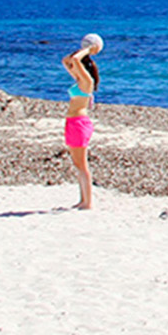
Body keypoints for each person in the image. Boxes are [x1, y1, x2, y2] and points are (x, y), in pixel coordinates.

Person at [62, 35, 101, 209]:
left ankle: (88, 202)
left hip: (79, 124)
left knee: (83, 165)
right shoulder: (79, 81)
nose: (74, 70)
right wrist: (82, 53)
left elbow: (76, 60)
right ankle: (82, 200)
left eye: (78, 69)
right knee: (78, 165)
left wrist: (89, 50)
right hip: (72, 123)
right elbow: (67, 60)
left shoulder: (87, 82)